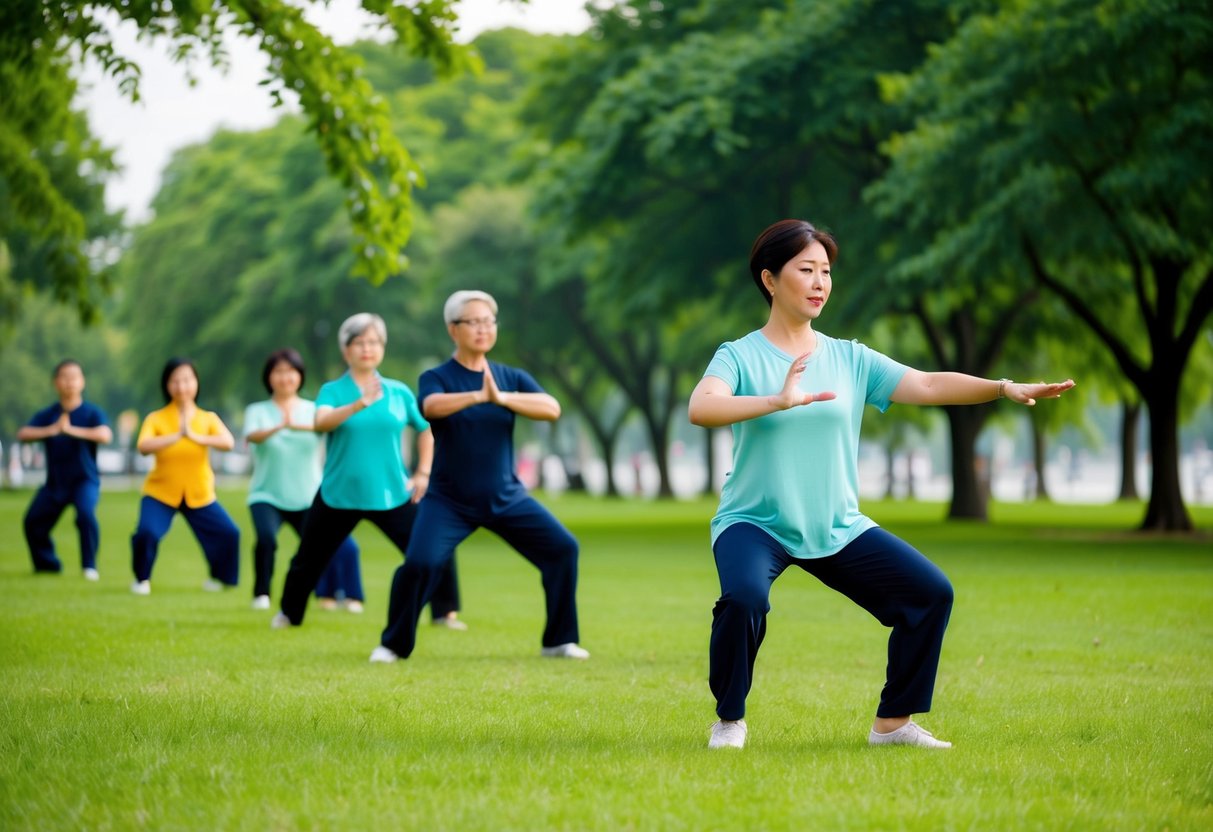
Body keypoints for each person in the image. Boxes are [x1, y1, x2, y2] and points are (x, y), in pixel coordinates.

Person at [688, 219, 1075, 750]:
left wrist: (1003, 387)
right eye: (806, 270)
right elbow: (702, 407)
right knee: (745, 599)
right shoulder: (739, 355)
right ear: (771, 280)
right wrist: (775, 401)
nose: (820, 281)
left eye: (826, 271)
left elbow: (930, 383)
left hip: (836, 523)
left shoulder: (850, 357)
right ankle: (729, 719)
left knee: (930, 593)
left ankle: (893, 725)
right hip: (754, 521)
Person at [371, 290, 587, 664]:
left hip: (506, 496)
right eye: (474, 322)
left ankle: (559, 640)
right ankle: (393, 644)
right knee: (420, 564)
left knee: (562, 549)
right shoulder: (436, 376)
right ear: (453, 329)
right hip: (448, 500)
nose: (484, 329)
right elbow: (430, 406)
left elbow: (550, 407)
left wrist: (501, 397)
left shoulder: (509, 376)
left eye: (489, 321)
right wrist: (477, 396)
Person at [273, 313, 463, 630]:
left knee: (433, 545)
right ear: (346, 350)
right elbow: (321, 423)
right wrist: (360, 403)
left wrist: (423, 473)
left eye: (374, 342)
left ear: (382, 348)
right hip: (339, 492)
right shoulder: (333, 391)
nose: (367, 349)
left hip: (391, 491)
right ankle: (289, 614)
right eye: (359, 342)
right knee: (308, 558)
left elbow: (425, 429)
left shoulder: (398, 392)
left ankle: (444, 612)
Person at [243, 348, 364, 612]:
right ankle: (261, 592)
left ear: (300, 376)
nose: (285, 377)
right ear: (269, 377)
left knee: (335, 545)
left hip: (308, 495)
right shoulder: (258, 411)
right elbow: (252, 435)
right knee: (266, 539)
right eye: (279, 372)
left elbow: (329, 427)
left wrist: (295, 426)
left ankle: (340, 595)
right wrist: (277, 427)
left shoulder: (314, 409)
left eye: (291, 372)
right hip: (266, 494)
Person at [131, 358, 241, 595]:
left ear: (196, 383)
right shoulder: (156, 418)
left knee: (229, 533)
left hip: (199, 492)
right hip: (160, 491)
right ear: (167, 385)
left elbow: (227, 442)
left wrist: (196, 437)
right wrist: (177, 435)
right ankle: (141, 579)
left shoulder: (207, 418)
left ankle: (220, 577)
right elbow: (144, 445)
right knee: (146, 533)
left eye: (187, 380)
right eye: (175, 381)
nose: (182, 386)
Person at [18, 360, 113, 579]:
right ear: (56, 383)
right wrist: (53, 430)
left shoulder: (91, 413)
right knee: (33, 522)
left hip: (84, 481)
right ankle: (47, 565)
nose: (70, 382)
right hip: (56, 483)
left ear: (82, 382)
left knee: (86, 515)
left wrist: (71, 430)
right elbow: (24, 434)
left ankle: (89, 566)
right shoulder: (49, 415)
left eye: (74, 377)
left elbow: (105, 435)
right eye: (64, 377)